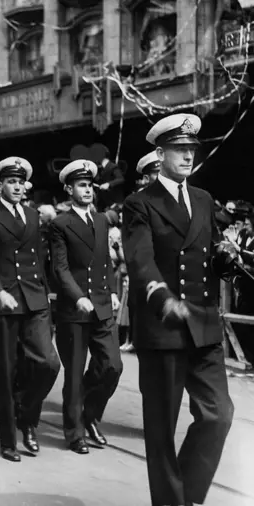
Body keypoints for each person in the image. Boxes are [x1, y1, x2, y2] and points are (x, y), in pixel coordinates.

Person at [122, 113, 234, 506]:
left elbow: (209, 256)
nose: (188, 157)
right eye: (179, 150)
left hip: (202, 324)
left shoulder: (203, 199)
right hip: (164, 326)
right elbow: (140, 259)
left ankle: (184, 494)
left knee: (219, 414)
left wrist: (224, 257)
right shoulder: (139, 204)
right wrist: (160, 295)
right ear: (160, 152)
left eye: (191, 150)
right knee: (161, 429)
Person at [0, 157, 60, 462]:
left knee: (49, 363)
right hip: (5, 302)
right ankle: (9, 439)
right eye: (11, 182)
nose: (17, 187)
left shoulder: (33, 215)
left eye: (20, 182)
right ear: (0, 186)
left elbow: (39, 257)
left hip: (35, 300)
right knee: (6, 372)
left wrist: (46, 292)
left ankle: (27, 415)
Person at [49, 159, 123, 455]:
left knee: (112, 366)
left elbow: (105, 262)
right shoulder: (60, 224)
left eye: (90, 185)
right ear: (69, 189)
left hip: (103, 305)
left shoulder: (103, 220)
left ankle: (90, 415)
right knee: (75, 374)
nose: (88, 190)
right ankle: (75, 432)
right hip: (74, 311)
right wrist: (78, 296)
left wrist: (113, 292)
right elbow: (60, 269)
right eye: (82, 185)